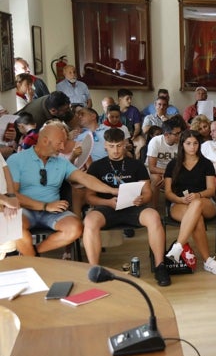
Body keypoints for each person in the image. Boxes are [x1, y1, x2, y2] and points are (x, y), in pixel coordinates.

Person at [7, 121, 118, 256]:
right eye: (59, 143)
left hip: (53, 211)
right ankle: (33, 262)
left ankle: (33, 254)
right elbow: (13, 195)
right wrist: (45, 206)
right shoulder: (17, 159)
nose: (63, 147)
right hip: (25, 210)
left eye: (64, 142)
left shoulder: (61, 162)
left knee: (75, 228)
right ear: (45, 140)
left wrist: (111, 190)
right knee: (16, 227)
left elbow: (85, 178)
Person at [82, 128, 171, 286]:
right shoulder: (96, 167)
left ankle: (160, 266)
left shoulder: (136, 165)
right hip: (107, 208)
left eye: (118, 146)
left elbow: (148, 193)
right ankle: (94, 269)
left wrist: (141, 199)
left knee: (154, 216)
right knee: (89, 221)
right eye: (111, 146)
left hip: (132, 207)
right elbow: (89, 197)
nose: (115, 150)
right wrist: (108, 202)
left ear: (125, 145)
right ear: (105, 146)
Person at [164, 130, 216, 276]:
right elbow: (168, 192)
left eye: (195, 143)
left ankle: (178, 246)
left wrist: (198, 195)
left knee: (197, 204)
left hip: (205, 202)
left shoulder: (206, 164)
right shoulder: (173, 165)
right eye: (188, 144)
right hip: (179, 204)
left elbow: (211, 190)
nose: (192, 147)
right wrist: (179, 199)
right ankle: (208, 261)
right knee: (196, 217)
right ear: (182, 145)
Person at [147, 116, 184, 210]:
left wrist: (169, 175)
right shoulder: (155, 142)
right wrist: (166, 173)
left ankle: (178, 208)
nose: (179, 136)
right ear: (167, 135)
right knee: (156, 179)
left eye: (180, 133)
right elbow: (152, 168)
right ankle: (153, 209)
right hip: (156, 171)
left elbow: (182, 164)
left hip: (173, 171)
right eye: (176, 134)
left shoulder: (182, 142)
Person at [0, 153, 20, 258]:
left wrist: (11, 195)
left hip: (4, 203)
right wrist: (6, 200)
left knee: (5, 251)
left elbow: (5, 168)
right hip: (3, 201)